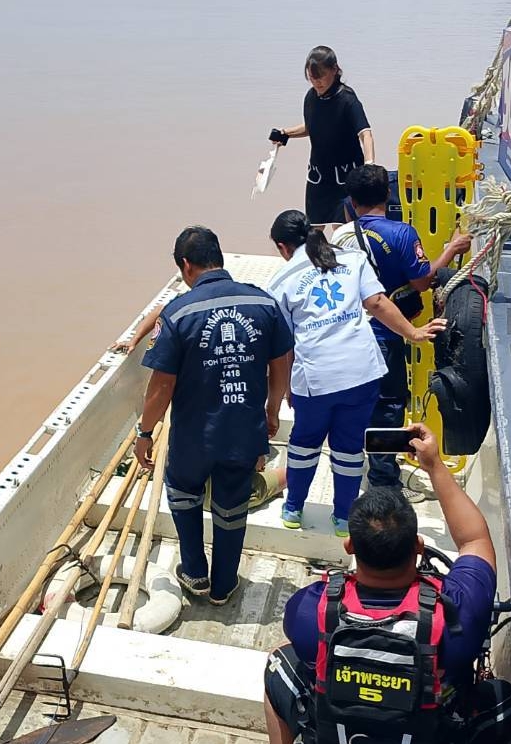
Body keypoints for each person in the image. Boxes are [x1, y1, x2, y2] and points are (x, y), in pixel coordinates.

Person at [252, 424, 511, 744]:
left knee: (278, 665)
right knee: (507, 698)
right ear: (417, 547)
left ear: (349, 548)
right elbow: (474, 539)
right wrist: (433, 466)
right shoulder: (458, 614)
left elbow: (301, 641)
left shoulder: (312, 610)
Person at [136, 226, 293, 605]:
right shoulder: (264, 303)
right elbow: (281, 361)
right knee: (232, 504)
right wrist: (272, 411)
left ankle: (194, 572)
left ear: (186, 265)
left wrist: (145, 432)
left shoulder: (179, 312)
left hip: (195, 433)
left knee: (182, 492)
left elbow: (161, 386)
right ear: (219, 259)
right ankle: (223, 585)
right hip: (243, 429)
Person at [267, 211, 444, 536]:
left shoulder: (280, 281)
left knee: (304, 445)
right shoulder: (352, 259)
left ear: (282, 247)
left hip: (316, 379)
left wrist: (280, 395)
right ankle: (344, 520)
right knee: (348, 447)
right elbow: (377, 303)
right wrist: (414, 333)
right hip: (363, 373)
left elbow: (283, 346)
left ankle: (293, 508)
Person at [343, 163, 472, 487]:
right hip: (386, 333)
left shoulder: (341, 235)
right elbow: (423, 281)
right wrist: (452, 249)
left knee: (357, 400)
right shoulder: (401, 234)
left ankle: (352, 459)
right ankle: (384, 477)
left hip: (348, 331)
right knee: (388, 408)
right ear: (388, 193)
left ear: (351, 200)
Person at [269, 46, 375, 226]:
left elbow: (365, 133)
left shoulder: (347, 98)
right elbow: (312, 127)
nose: (317, 82)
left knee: (341, 231)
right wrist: (285, 133)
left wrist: (369, 165)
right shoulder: (311, 97)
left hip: (345, 178)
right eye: (312, 77)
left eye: (321, 76)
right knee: (314, 229)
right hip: (318, 177)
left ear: (334, 70)